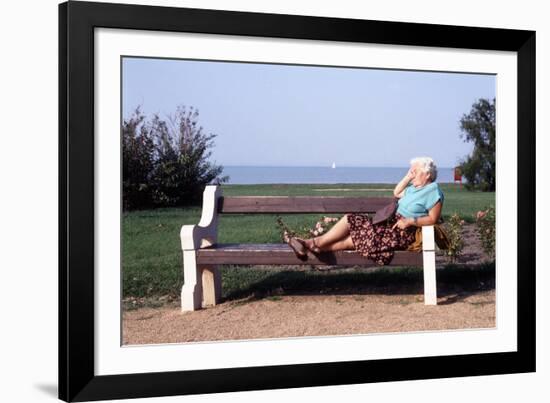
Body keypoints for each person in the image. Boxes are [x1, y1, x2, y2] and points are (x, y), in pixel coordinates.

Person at [288, 157, 444, 265]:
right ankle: (313, 246)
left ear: (428, 174)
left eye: (415, 171)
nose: (413, 174)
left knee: (356, 238)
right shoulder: (412, 189)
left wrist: (410, 221)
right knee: (351, 219)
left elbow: (433, 219)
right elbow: (396, 192)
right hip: (388, 225)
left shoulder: (433, 190)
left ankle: (309, 244)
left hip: (402, 233)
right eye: (412, 171)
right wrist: (407, 177)